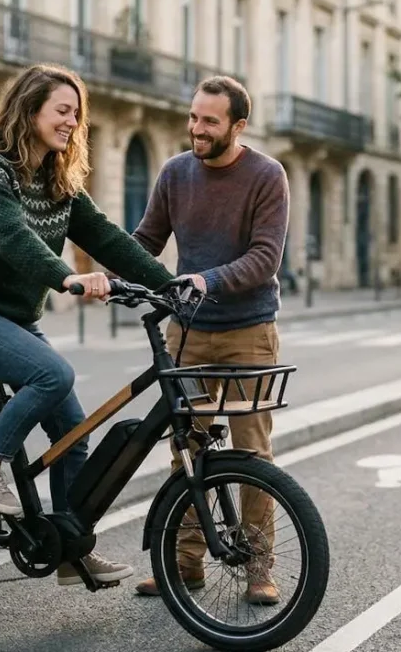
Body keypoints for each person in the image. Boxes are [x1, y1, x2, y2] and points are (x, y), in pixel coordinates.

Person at [0, 64, 177, 586]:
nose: (71, 121)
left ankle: (69, 550)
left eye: (76, 113)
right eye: (62, 110)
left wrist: (170, 285)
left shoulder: (57, 179)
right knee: (53, 376)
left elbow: (108, 238)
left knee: (74, 431)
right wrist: (69, 279)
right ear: (30, 108)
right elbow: (12, 239)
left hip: (15, 320)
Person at [130, 76, 289, 605]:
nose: (196, 129)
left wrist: (208, 279)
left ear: (238, 126)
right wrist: (113, 274)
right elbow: (146, 240)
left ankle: (257, 567)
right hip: (189, 333)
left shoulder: (267, 175)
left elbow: (266, 256)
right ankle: (186, 562)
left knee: (252, 455)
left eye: (209, 121)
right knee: (188, 449)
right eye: (193, 117)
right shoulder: (176, 173)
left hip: (248, 331)